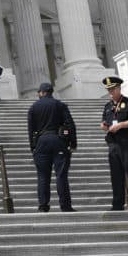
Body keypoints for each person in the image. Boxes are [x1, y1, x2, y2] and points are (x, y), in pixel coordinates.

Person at [27, 82, 77, 212]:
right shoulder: (60, 105)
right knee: (61, 175)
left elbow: (31, 130)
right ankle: (65, 205)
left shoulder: (33, 107)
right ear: (51, 92)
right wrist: (73, 143)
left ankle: (43, 205)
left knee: (43, 176)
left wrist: (33, 146)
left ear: (42, 93)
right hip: (58, 141)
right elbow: (70, 125)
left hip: (41, 142)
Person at [100, 76, 128, 211]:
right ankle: (118, 203)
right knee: (116, 174)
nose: (110, 92)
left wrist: (121, 125)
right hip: (113, 144)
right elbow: (104, 121)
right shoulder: (108, 106)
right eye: (109, 90)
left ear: (119, 88)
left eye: (113, 89)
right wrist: (103, 126)